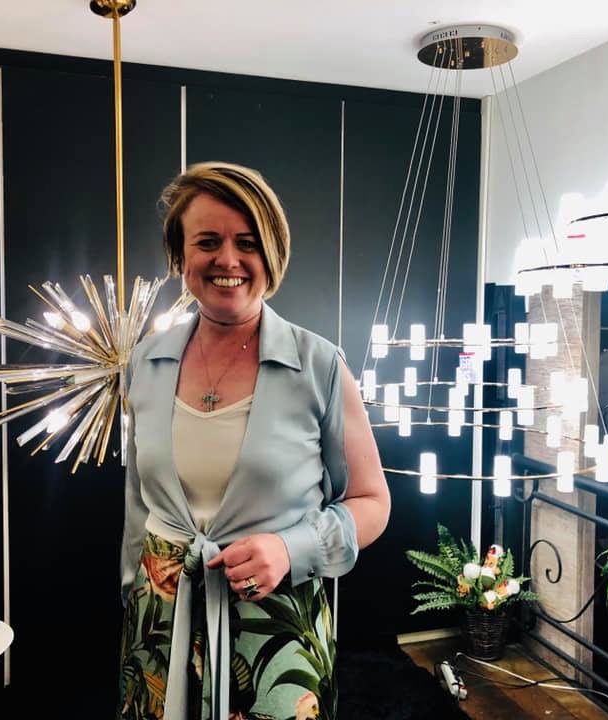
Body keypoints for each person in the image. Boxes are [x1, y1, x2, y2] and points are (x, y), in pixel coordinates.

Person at [118, 161, 390, 720]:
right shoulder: (145, 362)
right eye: (207, 242)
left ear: (272, 253)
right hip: (160, 624)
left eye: (247, 243)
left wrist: (291, 548)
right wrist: (132, 592)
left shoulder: (319, 365)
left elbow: (373, 502)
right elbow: (138, 502)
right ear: (180, 255)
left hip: (275, 630)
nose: (228, 260)